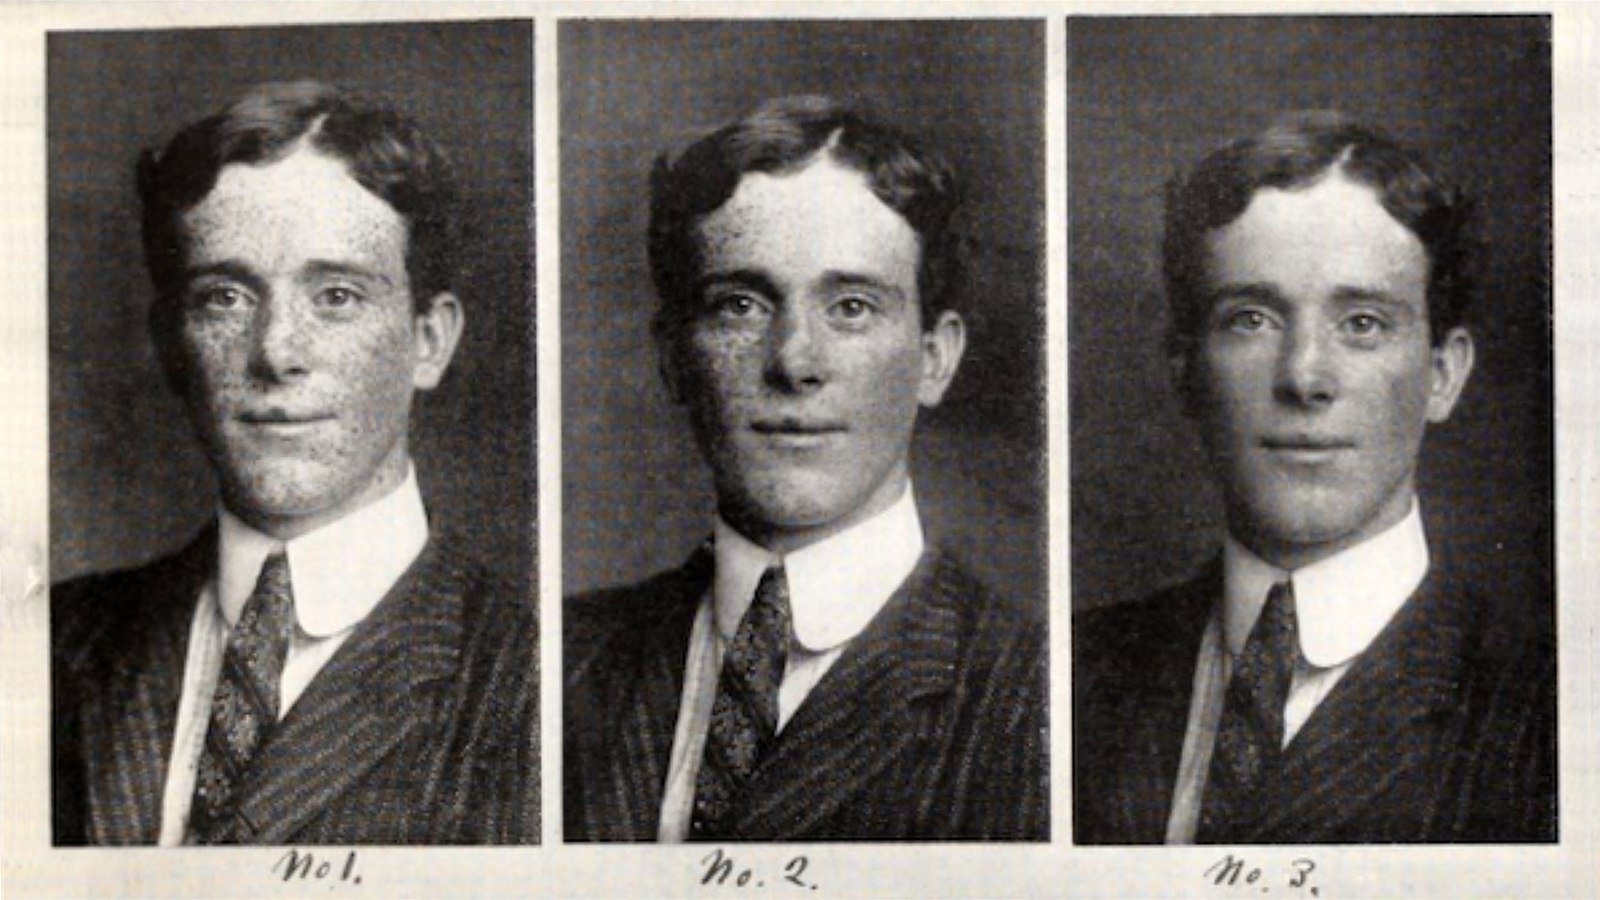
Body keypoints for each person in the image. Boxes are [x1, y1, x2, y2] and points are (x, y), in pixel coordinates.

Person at [51, 81, 537, 846]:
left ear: (428, 341)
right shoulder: (44, 646)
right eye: (225, 298)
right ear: (171, 343)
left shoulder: (541, 680)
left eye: (336, 295)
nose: (277, 352)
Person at [563, 95, 1047, 842]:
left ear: (935, 357)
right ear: (671, 360)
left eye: (851, 307)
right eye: (740, 306)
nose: (794, 361)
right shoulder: (559, 663)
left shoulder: (1039, 699)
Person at [1072, 111, 1556, 844]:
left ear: (1442, 375)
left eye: (1362, 323)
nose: (1304, 378)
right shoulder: (1069, 676)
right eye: (1252, 319)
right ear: (1184, 371)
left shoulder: (1549, 722)